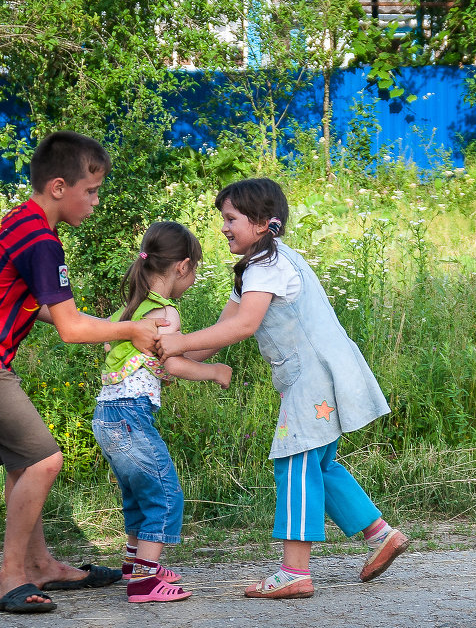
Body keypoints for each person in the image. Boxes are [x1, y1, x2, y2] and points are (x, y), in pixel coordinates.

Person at [0, 130, 164, 614]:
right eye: (92, 190)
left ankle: (40, 565)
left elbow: (36, 304)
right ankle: (9, 578)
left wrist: (110, 324)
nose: (96, 201)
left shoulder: (23, 220)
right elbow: (69, 328)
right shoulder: (42, 242)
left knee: (24, 460)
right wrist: (128, 331)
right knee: (45, 461)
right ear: (59, 187)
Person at [156, 177, 408, 599]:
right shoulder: (259, 266)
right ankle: (380, 535)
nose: (223, 227)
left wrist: (177, 341)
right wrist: (174, 362)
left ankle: (295, 572)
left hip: (311, 379)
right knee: (319, 465)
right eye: (224, 219)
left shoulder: (266, 265)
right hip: (318, 376)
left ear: (259, 222)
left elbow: (244, 326)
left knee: (294, 464)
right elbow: (221, 331)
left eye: (230, 218)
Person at [93, 221, 231, 604]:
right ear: (182, 267)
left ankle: (135, 561)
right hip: (131, 417)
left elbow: (120, 351)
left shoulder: (133, 308)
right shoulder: (167, 313)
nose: (194, 277)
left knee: (138, 493)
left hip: (106, 415)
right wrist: (214, 372)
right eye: (196, 269)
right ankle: (145, 581)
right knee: (165, 494)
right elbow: (174, 364)